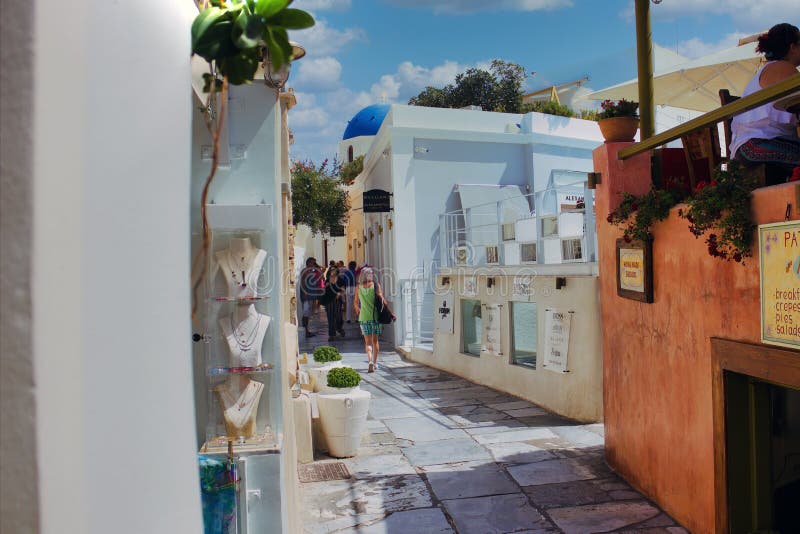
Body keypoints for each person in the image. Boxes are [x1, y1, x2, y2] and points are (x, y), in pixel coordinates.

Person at [730, 23, 800, 172]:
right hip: (758, 146)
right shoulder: (783, 68)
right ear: (793, 47)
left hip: (746, 149)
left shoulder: (768, 70)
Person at [353, 268, 395, 373]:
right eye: (371, 273)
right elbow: (383, 301)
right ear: (370, 275)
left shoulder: (358, 287)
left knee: (367, 343)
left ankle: (370, 361)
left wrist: (358, 309)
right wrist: (390, 313)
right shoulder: (375, 286)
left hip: (363, 318)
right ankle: (375, 363)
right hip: (375, 317)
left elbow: (355, 302)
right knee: (375, 341)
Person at [298, 257, 322, 337]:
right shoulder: (305, 271)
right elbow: (303, 282)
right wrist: (304, 293)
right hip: (306, 295)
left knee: (308, 314)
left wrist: (317, 266)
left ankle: (307, 330)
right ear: (308, 263)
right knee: (305, 313)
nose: (314, 264)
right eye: (313, 263)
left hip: (311, 295)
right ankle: (305, 331)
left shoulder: (312, 271)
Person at [322, 267, 346, 342]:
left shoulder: (340, 280)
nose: (332, 272)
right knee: (330, 318)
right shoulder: (327, 280)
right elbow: (324, 290)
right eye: (331, 270)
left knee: (338, 317)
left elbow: (343, 290)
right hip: (328, 301)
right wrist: (326, 286)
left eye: (334, 270)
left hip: (337, 301)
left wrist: (340, 293)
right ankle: (331, 334)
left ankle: (339, 328)